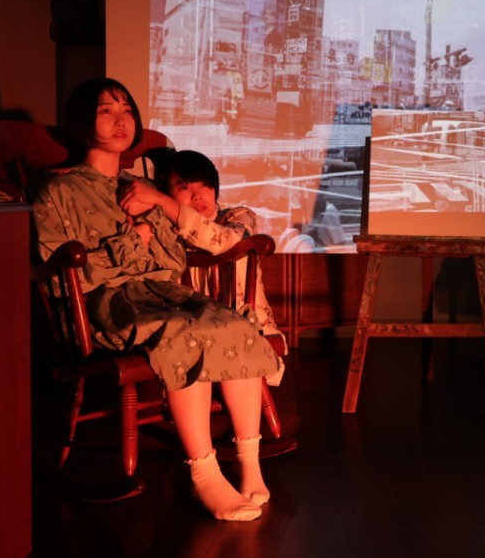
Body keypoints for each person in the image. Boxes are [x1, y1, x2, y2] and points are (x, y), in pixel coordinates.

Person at [33, 78, 279, 522]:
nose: (120, 119)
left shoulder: (138, 187)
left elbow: (171, 260)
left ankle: (249, 464)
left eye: (126, 109)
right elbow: (68, 276)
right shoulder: (59, 192)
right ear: (83, 120)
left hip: (161, 292)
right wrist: (135, 239)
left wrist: (154, 209)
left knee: (233, 323)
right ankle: (205, 474)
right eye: (106, 110)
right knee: (184, 333)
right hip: (106, 303)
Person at [139, 148, 301, 437]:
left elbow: (222, 241)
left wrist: (164, 202)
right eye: (184, 188)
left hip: (249, 336)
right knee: (188, 429)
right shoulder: (162, 229)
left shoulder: (238, 217)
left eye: (204, 186)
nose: (197, 196)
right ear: (166, 192)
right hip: (193, 342)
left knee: (277, 427)